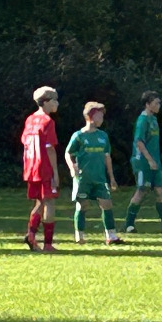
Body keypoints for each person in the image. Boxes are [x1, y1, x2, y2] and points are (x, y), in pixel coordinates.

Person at [65, 102, 126, 246]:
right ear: (90, 117)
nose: (102, 119)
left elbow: (107, 157)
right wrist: (72, 167)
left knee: (107, 204)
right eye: (100, 116)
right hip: (83, 178)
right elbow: (68, 153)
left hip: (99, 178)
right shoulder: (79, 136)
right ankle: (79, 235)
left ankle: (111, 236)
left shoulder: (103, 136)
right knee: (83, 205)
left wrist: (111, 177)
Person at [123, 91, 162, 233]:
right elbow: (139, 142)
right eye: (156, 103)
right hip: (143, 162)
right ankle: (128, 225)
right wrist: (149, 160)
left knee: (160, 191)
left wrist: (155, 161)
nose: (159, 105)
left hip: (155, 162)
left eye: (159, 103)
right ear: (147, 104)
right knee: (142, 190)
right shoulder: (143, 120)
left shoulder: (154, 120)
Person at [21, 86, 61, 252]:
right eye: (54, 100)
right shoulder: (48, 121)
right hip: (44, 166)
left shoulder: (30, 120)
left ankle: (31, 234)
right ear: (45, 102)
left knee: (40, 201)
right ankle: (47, 243)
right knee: (49, 201)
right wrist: (55, 173)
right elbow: (49, 148)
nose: (57, 103)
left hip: (31, 166)